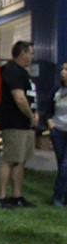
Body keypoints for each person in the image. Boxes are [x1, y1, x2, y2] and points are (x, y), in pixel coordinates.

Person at [0, 40, 38, 208]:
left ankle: (17, 196)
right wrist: (30, 115)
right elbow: (19, 97)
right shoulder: (12, 71)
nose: (32, 57)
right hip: (14, 122)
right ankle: (1, 197)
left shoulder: (22, 73)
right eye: (30, 53)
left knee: (21, 160)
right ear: (22, 54)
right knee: (10, 159)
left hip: (24, 124)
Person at [47, 61, 67, 207]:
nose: (63, 72)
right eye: (63, 69)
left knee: (66, 165)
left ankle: (57, 196)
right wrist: (51, 126)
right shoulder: (57, 91)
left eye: (66, 70)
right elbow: (49, 110)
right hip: (58, 131)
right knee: (62, 165)